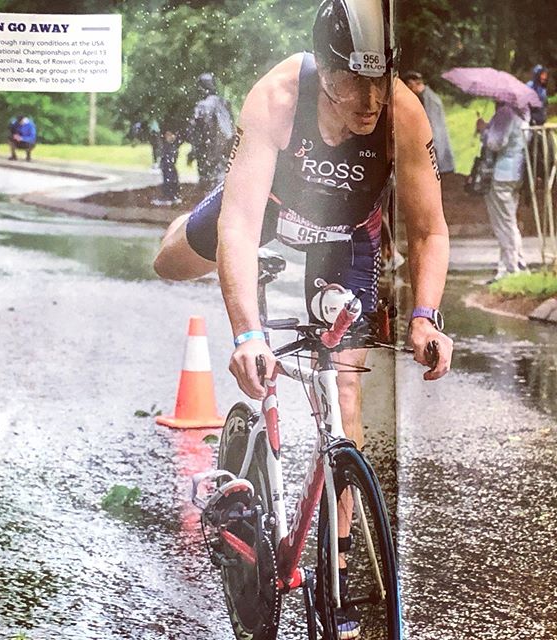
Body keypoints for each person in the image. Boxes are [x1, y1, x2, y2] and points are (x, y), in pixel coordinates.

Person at [155, 1, 453, 634]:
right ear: (324, 67)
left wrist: (426, 315)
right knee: (172, 261)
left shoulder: (402, 112)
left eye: (381, 80)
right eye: (354, 83)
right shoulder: (279, 96)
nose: (370, 100)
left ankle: (335, 565)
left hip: (345, 236)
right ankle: (184, 223)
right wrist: (247, 335)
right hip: (266, 206)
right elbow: (237, 227)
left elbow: (428, 228)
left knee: (344, 391)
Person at [477, 102, 529, 282]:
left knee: (504, 224)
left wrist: (483, 130)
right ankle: (515, 264)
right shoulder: (523, 113)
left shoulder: (505, 113)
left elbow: (495, 143)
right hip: (516, 173)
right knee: (509, 221)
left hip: (501, 175)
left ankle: (512, 268)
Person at [187, 72, 235, 192]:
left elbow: (196, 132)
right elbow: (232, 126)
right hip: (225, 150)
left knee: (209, 184)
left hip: (208, 151)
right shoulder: (225, 103)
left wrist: (193, 151)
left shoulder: (202, 106)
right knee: (223, 182)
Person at [402, 70, 455, 174]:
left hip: (438, 152)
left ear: (412, 83)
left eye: (408, 85)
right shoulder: (426, 96)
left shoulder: (429, 99)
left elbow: (433, 127)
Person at [151, 121, 182, 207]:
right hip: (167, 167)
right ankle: (171, 197)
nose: (167, 137)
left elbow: (170, 158)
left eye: (169, 135)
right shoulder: (169, 146)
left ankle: (170, 197)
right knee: (169, 181)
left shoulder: (171, 146)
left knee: (170, 181)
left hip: (169, 167)